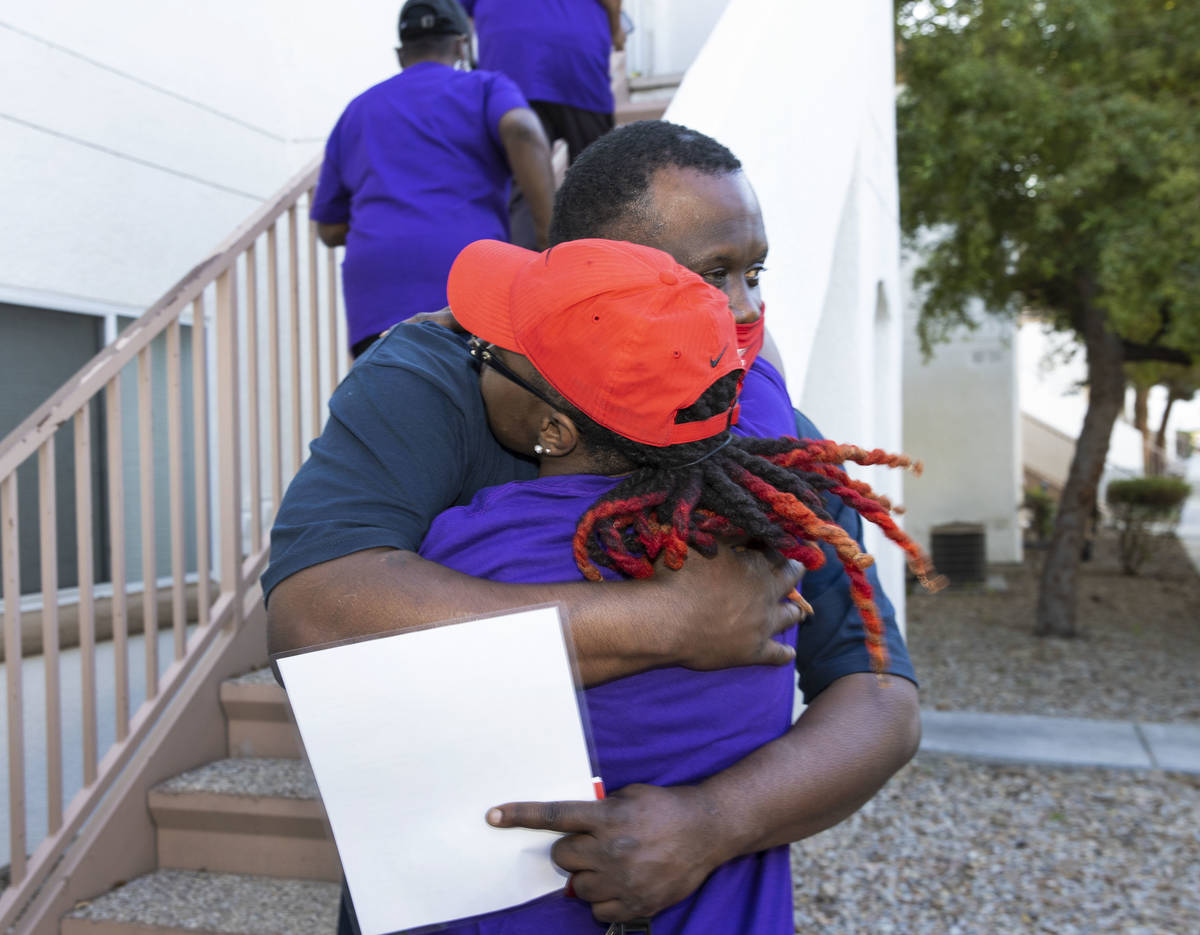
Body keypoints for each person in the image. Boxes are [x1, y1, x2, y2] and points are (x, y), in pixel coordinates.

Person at [264, 120, 920, 929]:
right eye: (712, 274)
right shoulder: (436, 374)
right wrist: (667, 619)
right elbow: (314, 614)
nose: (746, 310)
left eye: (754, 273)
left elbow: (883, 697)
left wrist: (711, 823)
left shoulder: (760, 433)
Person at [401, 237, 935, 933]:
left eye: (487, 354)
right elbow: (759, 365)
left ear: (554, 429)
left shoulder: (473, 549)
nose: (476, 360)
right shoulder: (763, 523)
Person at [310, 0, 556, 357]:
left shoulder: (357, 110)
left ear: (400, 53)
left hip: (376, 293)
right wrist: (549, 241)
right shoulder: (486, 87)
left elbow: (329, 229)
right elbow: (522, 129)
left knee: (388, 404)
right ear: (460, 44)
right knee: (469, 404)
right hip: (463, 284)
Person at [461, 0, 623, 163]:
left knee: (519, 176)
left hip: (509, 57)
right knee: (595, 173)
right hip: (576, 54)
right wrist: (616, 31)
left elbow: (456, 16)